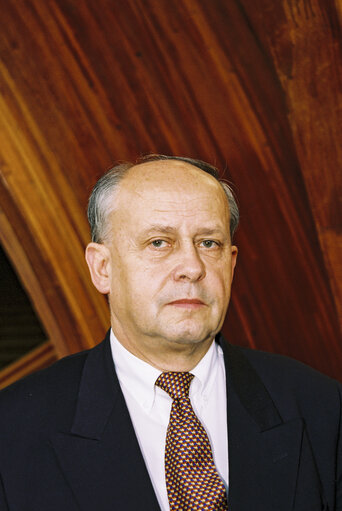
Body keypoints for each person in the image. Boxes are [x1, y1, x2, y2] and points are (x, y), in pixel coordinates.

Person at [0, 155, 341, 511]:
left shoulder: (323, 408)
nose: (192, 268)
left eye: (209, 243)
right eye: (159, 243)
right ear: (102, 268)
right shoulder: (11, 433)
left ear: (232, 263)